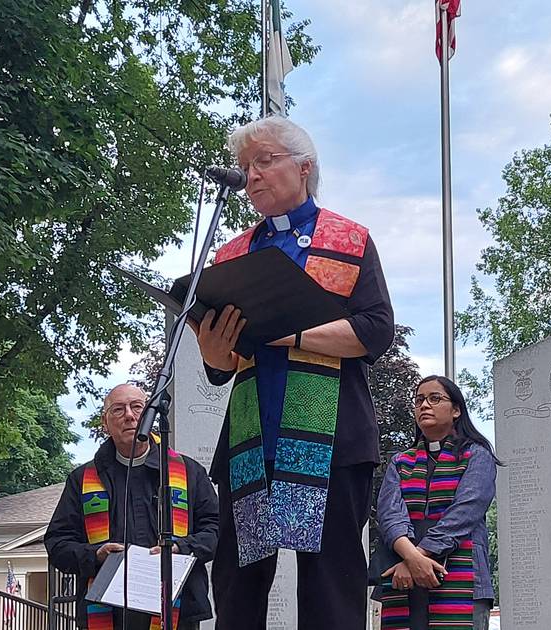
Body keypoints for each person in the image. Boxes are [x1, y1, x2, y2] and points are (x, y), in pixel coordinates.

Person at [194, 115, 395, 630]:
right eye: (245, 167)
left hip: (329, 440)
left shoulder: (348, 239)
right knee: (238, 588)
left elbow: (375, 331)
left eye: (264, 161)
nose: (251, 176)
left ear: (304, 167)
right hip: (250, 440)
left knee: (329, 589)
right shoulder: (232, 252)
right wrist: (215, 352)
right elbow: (223, 367)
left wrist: (290, 332)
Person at [45, 384, 219, 630]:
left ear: (150, 415)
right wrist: (95, 554)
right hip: (109, 613)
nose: (129, 415)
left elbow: (214, 530)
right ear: (105, 423)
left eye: (138, 407)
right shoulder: (82, 479)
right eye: (118, 409)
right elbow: (57, 543)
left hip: (178, 610)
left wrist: (179, 547)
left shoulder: (188, 472)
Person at [373, 375, 498, 630]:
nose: (424, 405)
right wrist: (412, 559)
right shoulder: (400, 462)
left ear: (456, 410)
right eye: (419, 400)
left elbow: (465, 512)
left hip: (461, 579)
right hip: (403, 582)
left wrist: (415, 559)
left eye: (434, 398)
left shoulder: (477, 455)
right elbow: (389, 516)